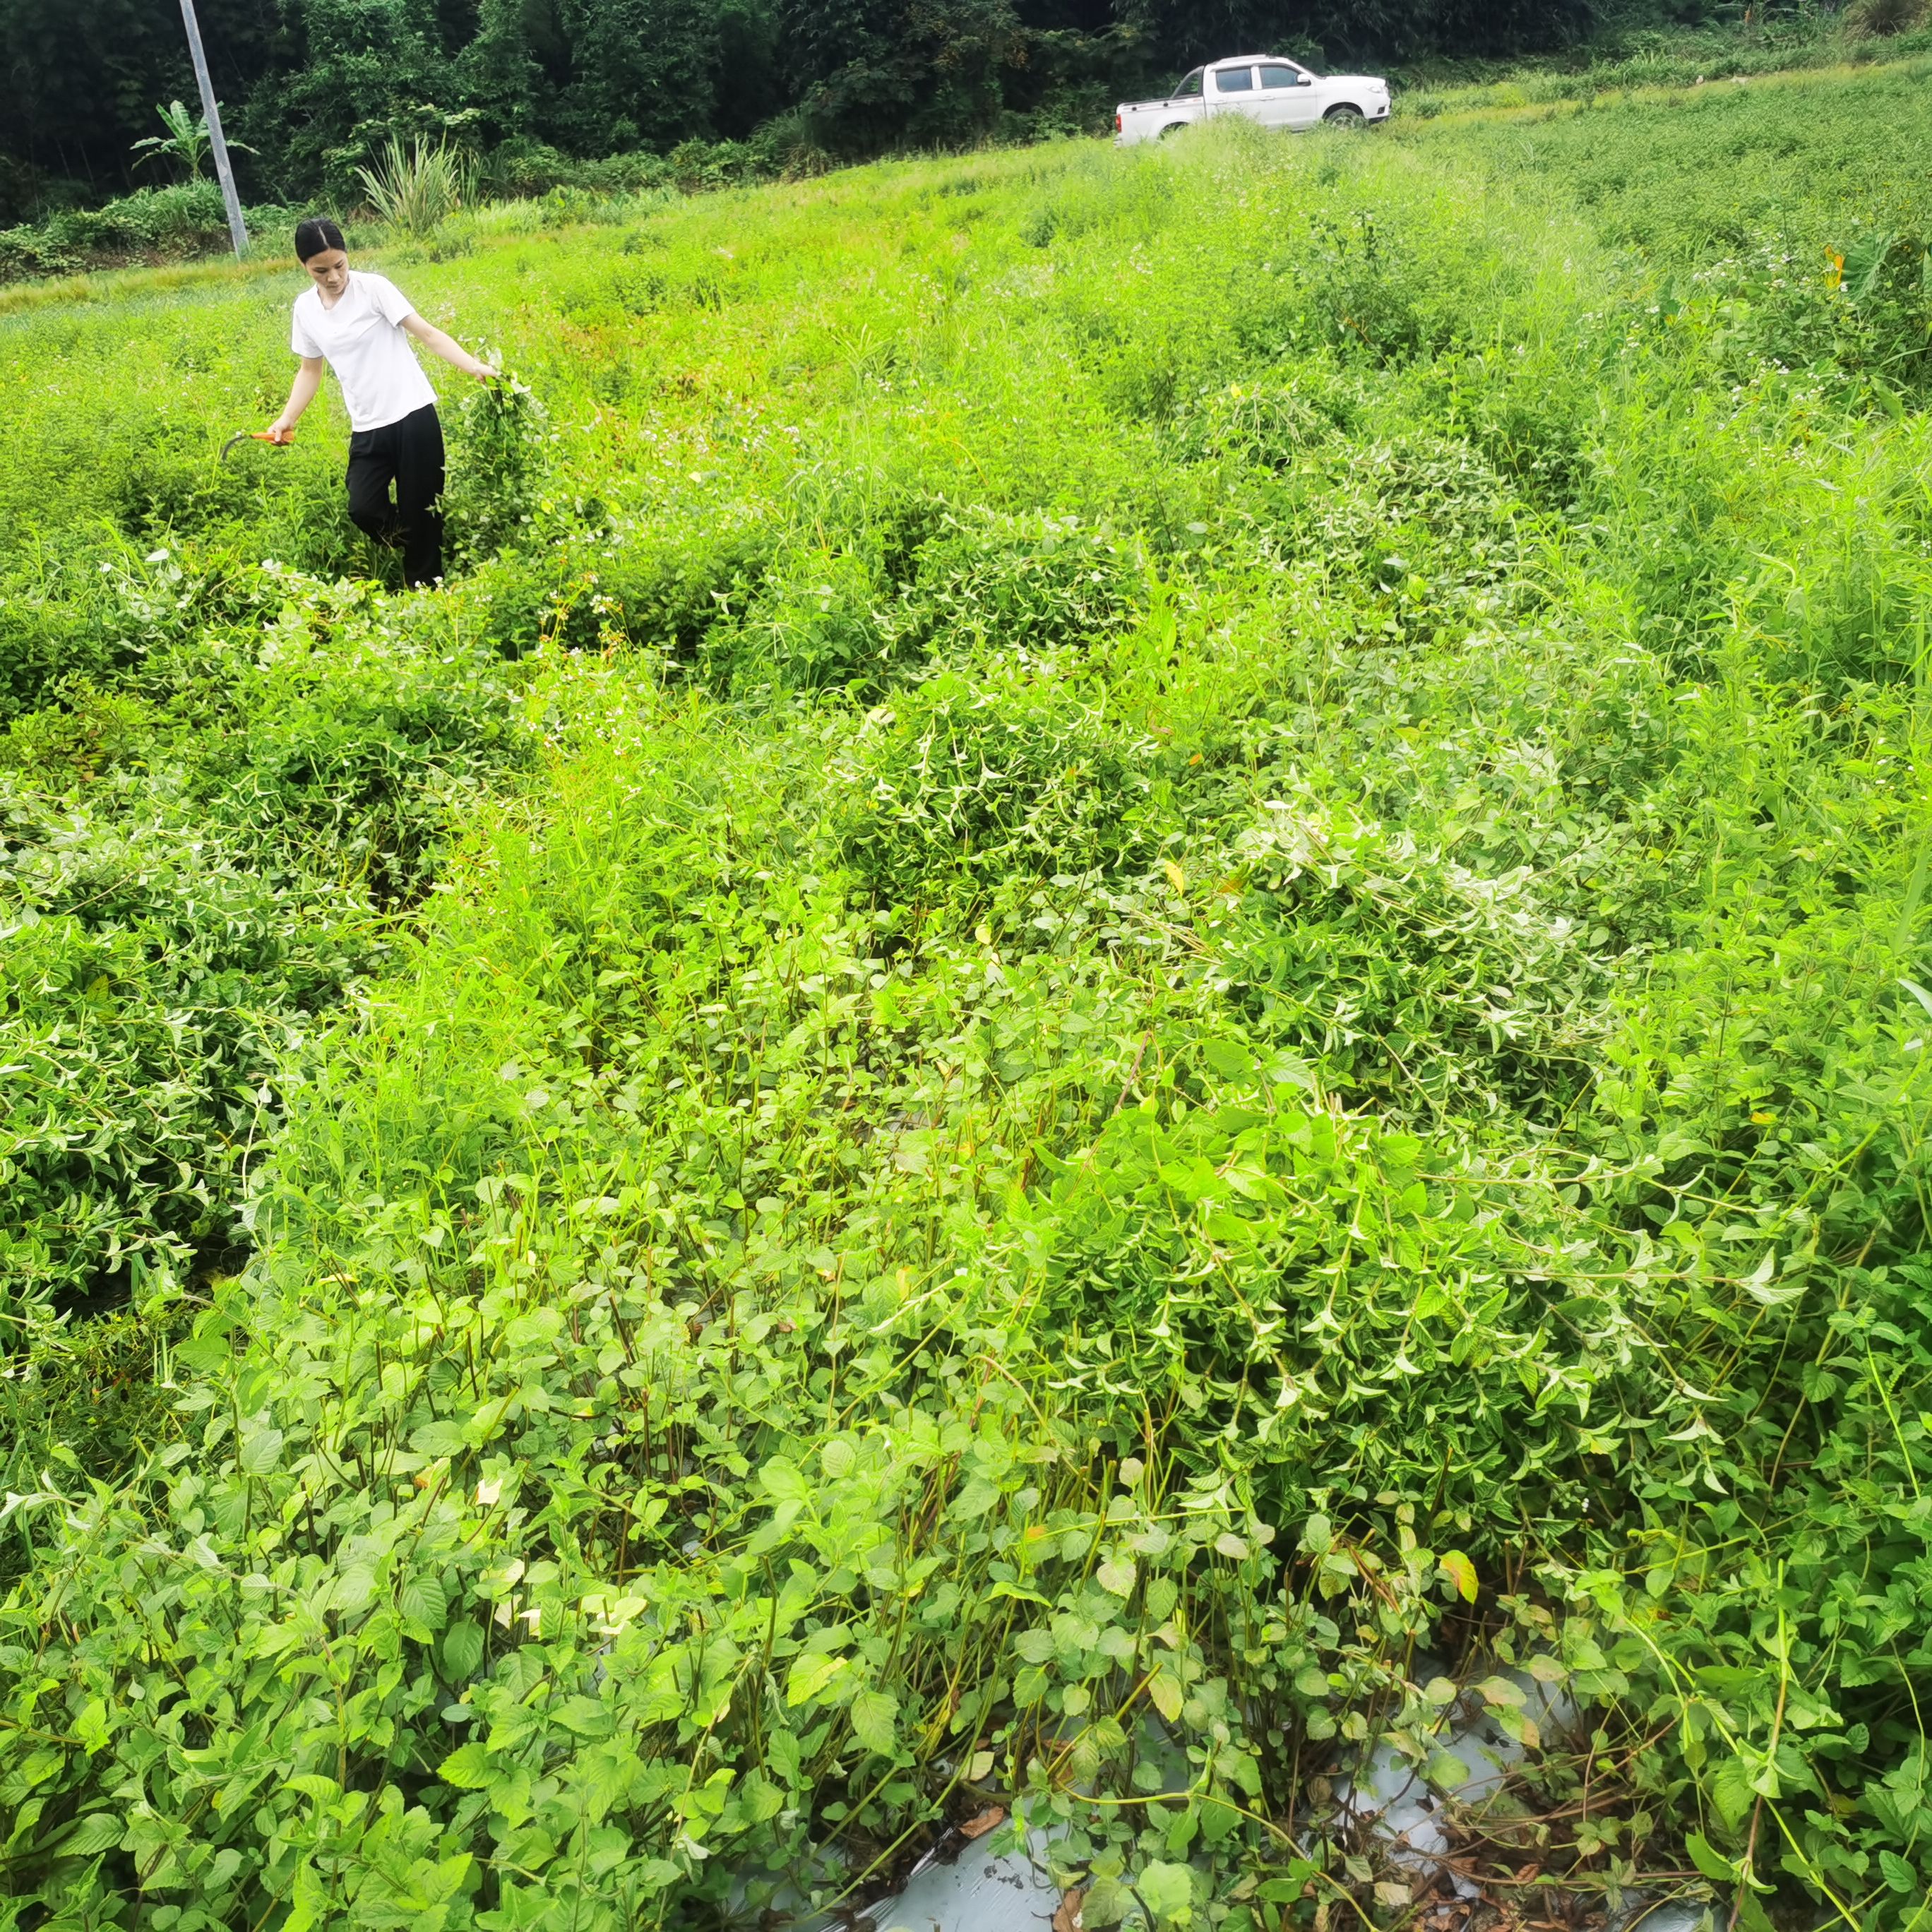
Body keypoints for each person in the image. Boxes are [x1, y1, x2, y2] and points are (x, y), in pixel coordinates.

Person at [266, 216, 497, 588]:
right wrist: (286, 418)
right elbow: (310, 371)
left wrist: (474, 367)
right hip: (368, 425)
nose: (334, 278)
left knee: (419, 507)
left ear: (347, 256)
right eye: (320, 270)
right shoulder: (305, 309)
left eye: (339, 265)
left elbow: (427, 333)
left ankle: (424, 589)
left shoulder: (374, 289)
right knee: (364, 508)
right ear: (304, 266)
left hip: (414, 415)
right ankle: (425, 543)